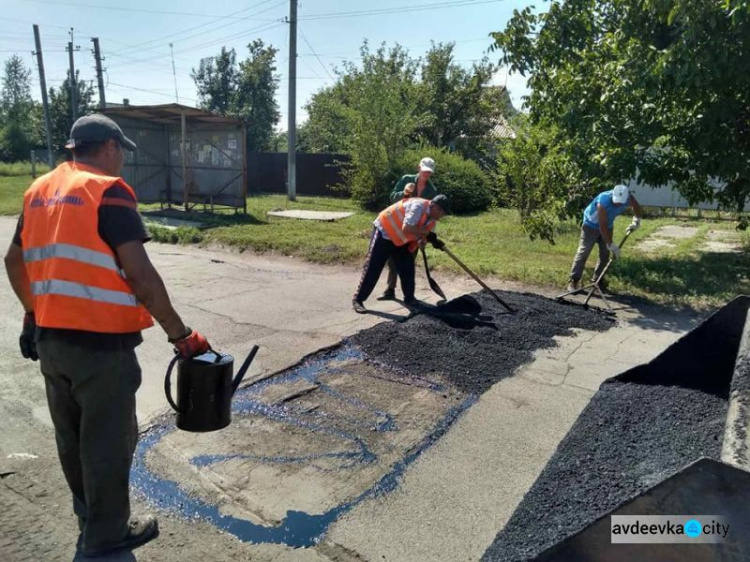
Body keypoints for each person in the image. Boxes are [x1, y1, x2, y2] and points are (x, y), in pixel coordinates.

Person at [3, 114, 211, 558]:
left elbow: (12, 261)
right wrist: (181, 335)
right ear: (111, 147)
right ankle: (107, 535)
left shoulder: (39, 191)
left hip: (50, 342)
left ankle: (89, 517)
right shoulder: (107, 191)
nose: (122, 163)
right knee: (109, 443)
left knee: (72, 437)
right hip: (100, 347)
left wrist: (30, 315)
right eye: (122, 154)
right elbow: (141, 276)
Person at [353, 194, 450, 314]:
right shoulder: (418, 207)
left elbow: (422, 235)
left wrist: (424, 240)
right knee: (374, 266)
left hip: (401, 240)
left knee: (407, 268)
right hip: (385, 232)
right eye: (443, 213)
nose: (443, 216)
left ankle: (410, 299)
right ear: (436, 207)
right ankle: (358, 299)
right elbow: (407, 228)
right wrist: (427, 234)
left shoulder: (433, 220)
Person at [377, 156, 439, 301]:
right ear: (418, 168)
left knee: (408, 261)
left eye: (429, 172)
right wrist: (404, 193)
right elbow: (392, 198)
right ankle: (390, 290)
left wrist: (425, 236)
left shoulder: (431, 191)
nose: (426, 174)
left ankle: (408, 295)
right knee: (393, 260)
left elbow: (431, 214)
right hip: (398, 226)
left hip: (415, 231)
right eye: (424, 171)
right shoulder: (406, 180)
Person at [567, 184, 642, 292]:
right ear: (612, 195)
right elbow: (602, 227)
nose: (618, 204)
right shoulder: (603, 201)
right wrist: (611, 244)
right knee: (584, 251)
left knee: (605, 255)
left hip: (608, 225)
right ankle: (573, 281)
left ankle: (597, 281)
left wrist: (636, 221)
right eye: (616, 202)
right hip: (590, 225)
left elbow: (636, 206)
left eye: (621, 203)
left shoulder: (628, 197)